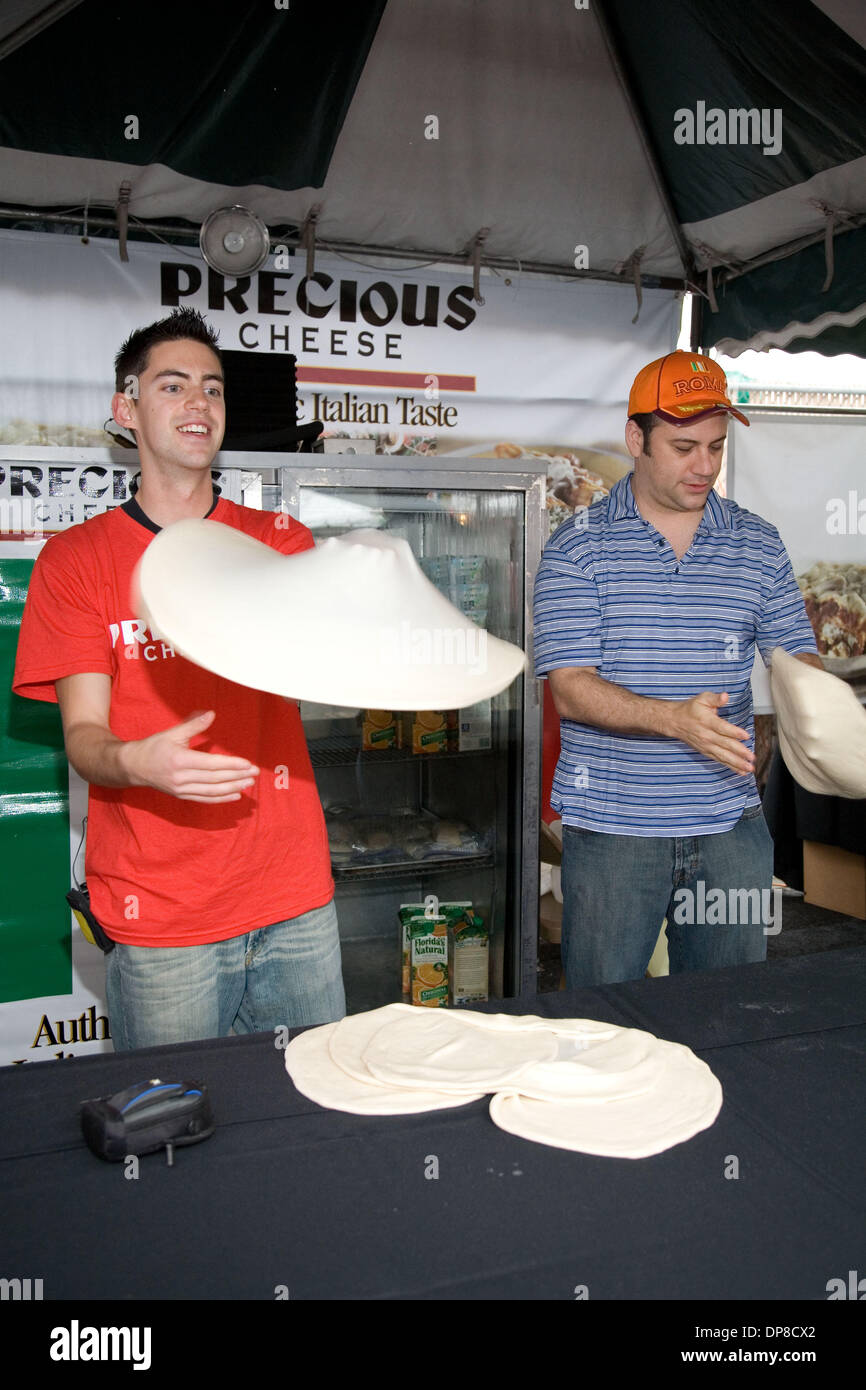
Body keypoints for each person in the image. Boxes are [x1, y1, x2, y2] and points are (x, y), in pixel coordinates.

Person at [13, 308, 345, 1049]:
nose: (199, 403)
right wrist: (139, 762)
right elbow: (85, 737)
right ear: (126, 410)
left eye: (213, 389)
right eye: (173, 386)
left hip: (294, 900)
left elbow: (335, 657)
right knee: (169, 1135)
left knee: (315, 1127)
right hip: (162, 918)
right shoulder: (78, 562)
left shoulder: (278, 542)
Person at [533, 350, 822, 987]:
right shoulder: (578, 546)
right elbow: (571, 690)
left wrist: (822, 710)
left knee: (729, 1011)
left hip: (730, 830)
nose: (705, 466)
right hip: (613, 833)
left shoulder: (757, 541)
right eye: (684, 446)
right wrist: (675, 721)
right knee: (605, 1018)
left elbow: (794, 655)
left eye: (716, 447)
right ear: (636, 438)